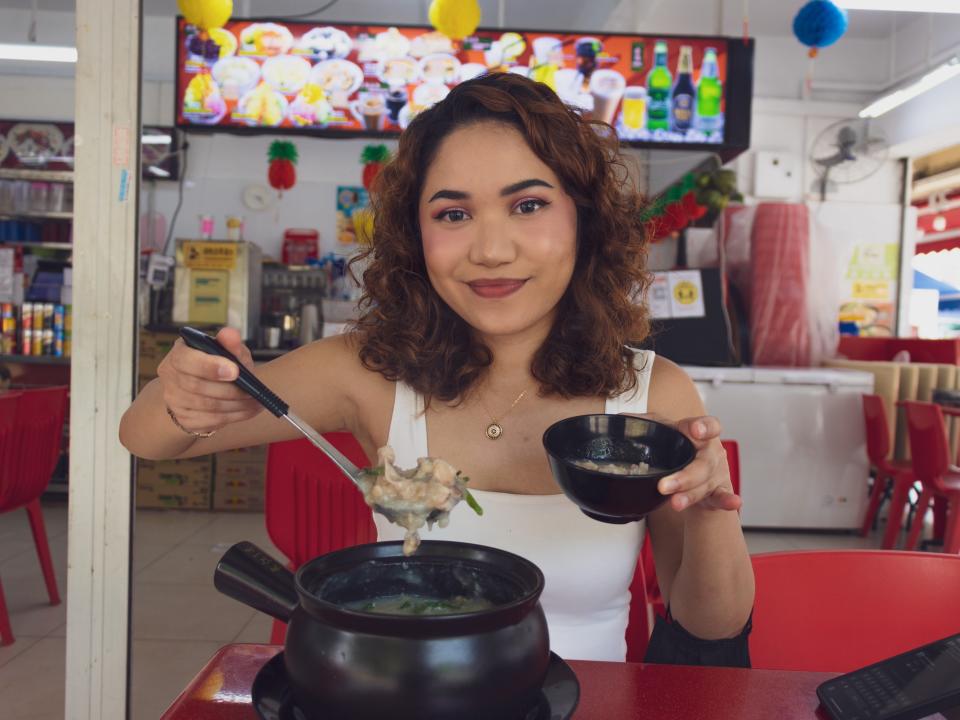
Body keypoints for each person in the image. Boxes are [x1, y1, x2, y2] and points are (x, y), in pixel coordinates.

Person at [120, 72, 754, 664]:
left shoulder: (650, 393)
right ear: (414, 235)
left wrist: (709, 510)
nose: (491, 250)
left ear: (584, 220)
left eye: (528, 205)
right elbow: (145, 438)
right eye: (453, 214)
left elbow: (711, 626)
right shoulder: (369, 373)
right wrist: (183, 394)